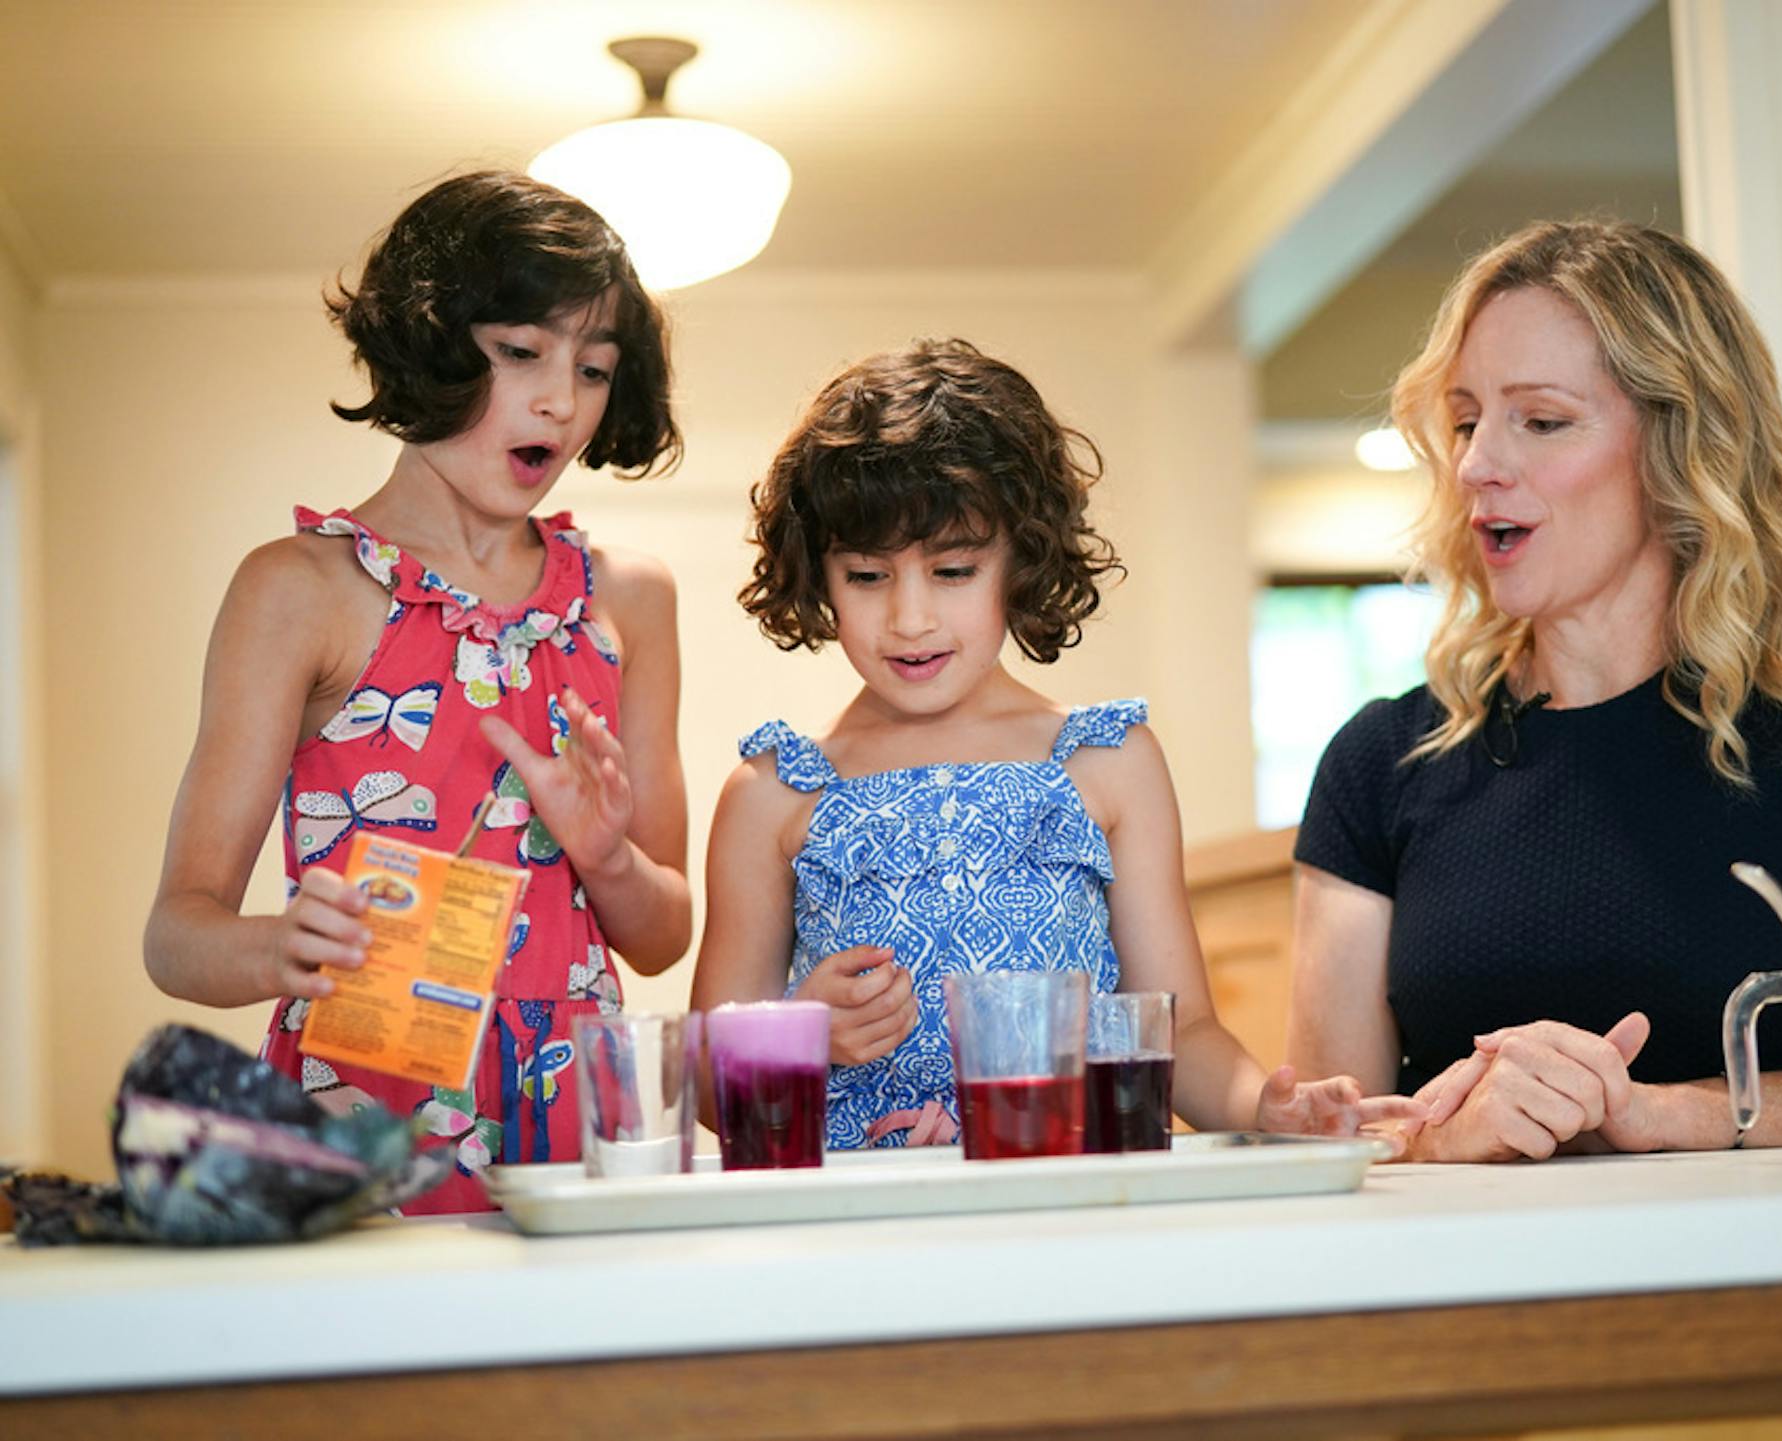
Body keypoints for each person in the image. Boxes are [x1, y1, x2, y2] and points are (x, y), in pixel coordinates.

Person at [1286, 220, 1782, 1163]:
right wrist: (1445, 1140)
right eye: (1469, 418)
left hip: (1774, 1291)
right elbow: (1327, 1143)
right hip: (1472, 1297)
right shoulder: (1379, 761)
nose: (1477, 462)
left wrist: (1675, 1112)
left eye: (1542, 420)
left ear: (1683, 445)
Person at [691, 339, 1421, 1149]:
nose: (909, 618)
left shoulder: (1108, 761)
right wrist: (797, 1034)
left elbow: (1182, 1034)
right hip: (862, 1231)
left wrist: (1266, 1105)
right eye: (867, 576)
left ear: (1022, 560)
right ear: (817, 575)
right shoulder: (775, 791)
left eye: (955, 570)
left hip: (1070, 1206)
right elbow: (702, 1090)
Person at [144, 171, 694, 1211]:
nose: (560, 402)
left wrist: (606, 853)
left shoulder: (631, 600)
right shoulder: (298, 590)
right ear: (433, 343)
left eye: (594, 368)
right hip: (357, 1136)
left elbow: (665, 932)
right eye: (521, 352)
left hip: (574, 1129)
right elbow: (177, 932)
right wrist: (278, 944)